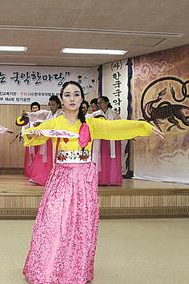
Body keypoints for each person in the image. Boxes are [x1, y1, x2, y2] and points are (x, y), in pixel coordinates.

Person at [22, 81, 163, 284]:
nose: (72, 98)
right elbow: (33, 135)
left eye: (76, 94)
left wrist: (143, 126)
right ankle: (46, 268)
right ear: (61, 99)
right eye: (68, 95)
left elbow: (115, 127)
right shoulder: (54, 122)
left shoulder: (91, 123)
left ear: (82, 99)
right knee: (54, 222)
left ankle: (74, 270)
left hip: (83, 179)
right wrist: (31, 133)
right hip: (61, 177)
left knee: (81, 224)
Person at [25, 95, 62, 185]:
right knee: (45, 158)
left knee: (54, 159)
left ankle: (56, 179)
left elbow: (54, 123)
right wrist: (28, 114)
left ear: (58, 105)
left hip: (56, 140)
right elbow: (39, 113)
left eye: (53, 105)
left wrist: (41, 123)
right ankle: (44, 177)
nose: (51, 107)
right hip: (48, 139)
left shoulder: (61, 113)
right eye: (50, 105)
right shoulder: (49, 113)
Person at [97, 96, 123, 185]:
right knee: (102, 159)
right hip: (101, 140)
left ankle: (113, 179)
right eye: (98, 103)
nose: (99, 104)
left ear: (107, 103)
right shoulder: (96, 114)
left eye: (101, 102)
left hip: (112, 140)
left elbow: (120, 126)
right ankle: (102, 179)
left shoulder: (114, 114)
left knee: (112, 159)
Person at [22, 102, 41, 177]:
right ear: (31, 109)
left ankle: (37, 172)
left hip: (39, 140)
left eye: (36, 108)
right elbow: (24, 127)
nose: (35, 109)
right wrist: (22, 134)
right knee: (30, 156)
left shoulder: (41, 118)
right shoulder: (29, 118)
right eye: (33, 108)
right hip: (30, 140)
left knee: (38, 156)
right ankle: (30, 171)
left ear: (39, 109)